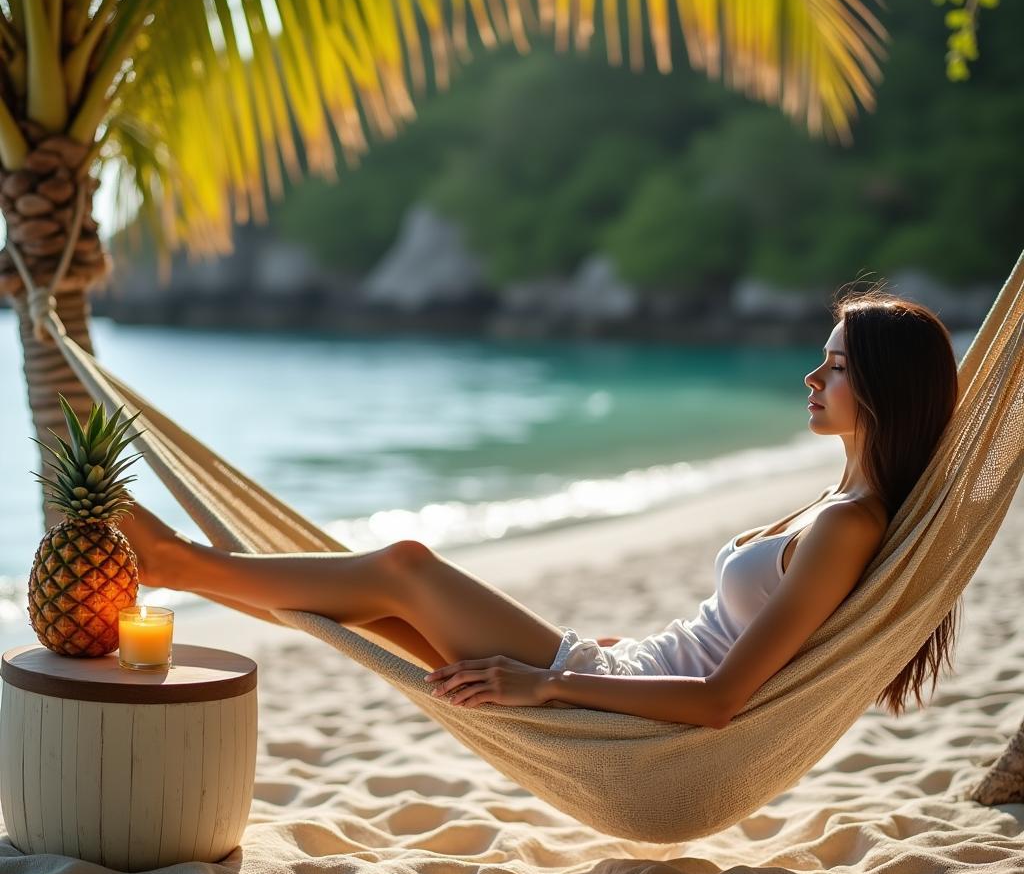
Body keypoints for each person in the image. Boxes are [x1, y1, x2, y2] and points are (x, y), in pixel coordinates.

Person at [118, 286, 959, 728]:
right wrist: (599, 658)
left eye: (837, 367)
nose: (813, 379)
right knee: (363, 610)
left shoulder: (850, 523)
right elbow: (718, 639)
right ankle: (190, 573)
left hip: (604, 694)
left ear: (885, 387)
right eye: (822, 361)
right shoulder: (836, 499)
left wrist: (551, 686)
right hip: (613, 668)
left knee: (402, 569)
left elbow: (719, 700)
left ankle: (175, 563)